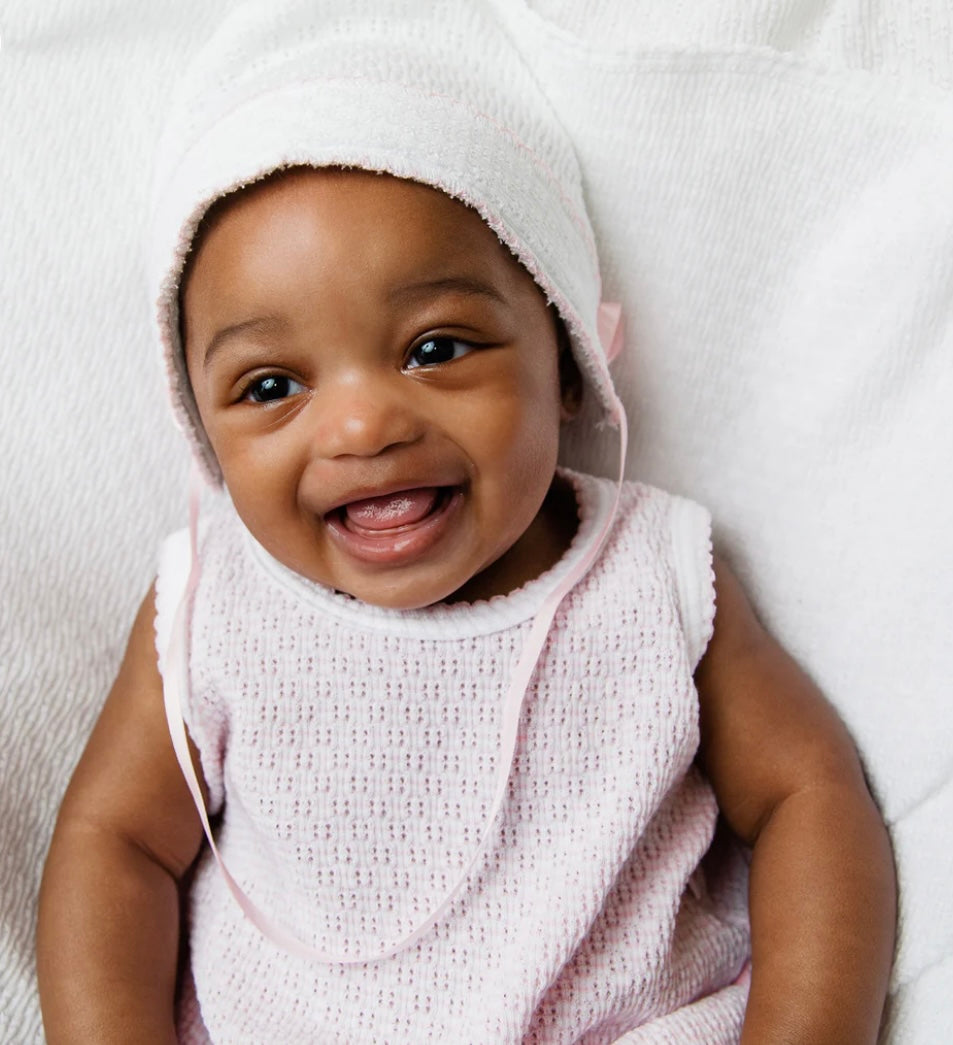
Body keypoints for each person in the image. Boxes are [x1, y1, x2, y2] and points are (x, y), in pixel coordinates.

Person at [36, 2, 896, 1042]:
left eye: (435, 349)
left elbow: (807, 794)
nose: (361, 423)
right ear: (205, 441)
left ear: (567, 359)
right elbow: (115, 842)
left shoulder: (648, 576)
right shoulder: (214, 606)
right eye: (270, 384)